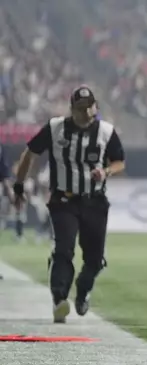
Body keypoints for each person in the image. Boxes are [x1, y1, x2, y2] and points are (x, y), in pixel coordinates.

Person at [13, 85, 125, 323]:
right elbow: (30, 152)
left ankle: (83, 290)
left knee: (94, 259)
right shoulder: (56, 128)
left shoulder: (105, 131)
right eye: (80, 108)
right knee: (64, 248)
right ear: (72, 109)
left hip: (94, 201)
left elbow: (119, 162)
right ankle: (59, 299)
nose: (84, 113)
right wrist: (19, 184)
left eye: (88, 107)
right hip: (63, 199)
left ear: (94, 107)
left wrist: (105, 172)